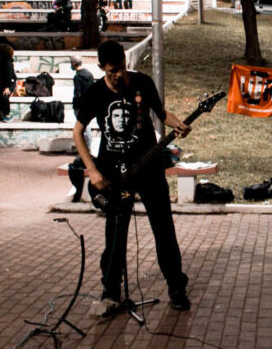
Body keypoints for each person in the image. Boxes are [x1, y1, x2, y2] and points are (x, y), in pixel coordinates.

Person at [73, 41, 192, 313]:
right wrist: (93, 170)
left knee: (163, 228)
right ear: (102, 67)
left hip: (149, 172)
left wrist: (178, 124)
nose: (119, 75)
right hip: (117, 178)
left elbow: (162, 114)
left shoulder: (143, 83)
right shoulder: (95, 92)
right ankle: (111, 289)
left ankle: (176, 287)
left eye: (123, 68)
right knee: (116, 232)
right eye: (113, 70)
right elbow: (78, 131)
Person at [70, 55, 94, 148]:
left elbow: (78, 93)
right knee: (87, 127)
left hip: (80, 106)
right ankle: (87, 146)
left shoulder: (77, 77)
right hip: (89, 104)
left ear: (73, 64)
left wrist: (76, 105)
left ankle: (86, 148)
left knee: (83, 128)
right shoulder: (89, 74)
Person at [0, 43, 17, 122]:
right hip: (3, 81)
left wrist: (9, 87)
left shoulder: (7, 62)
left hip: (9, 82)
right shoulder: (1, 60)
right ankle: (1, 113)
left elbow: (10, 75)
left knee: (4, 96)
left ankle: (7, 114)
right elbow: (1, 72)